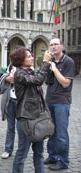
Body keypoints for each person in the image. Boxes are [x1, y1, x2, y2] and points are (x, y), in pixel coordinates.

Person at [10, 47, 52, 173]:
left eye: (31, 55)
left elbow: (40, 80)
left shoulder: (30, 71)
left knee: (39, 153)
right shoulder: (19, 73)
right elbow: (38, 80)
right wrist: (45, 63)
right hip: (26, 119)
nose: (32, 58)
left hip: (38, 117)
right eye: (28, 56)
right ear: (20, 60)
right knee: (22, 153)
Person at [44, 38, 75, 171]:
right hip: (49, 100)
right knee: (51, 132)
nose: (53, 47)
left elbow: (65, 83)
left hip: (62, 102)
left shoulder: (68, 62)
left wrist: (55, 69)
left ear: (62, 46)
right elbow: (45, 81)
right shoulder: (50, 61)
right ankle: (52, 156)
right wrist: (46, 64)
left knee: (61, 134)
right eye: (51, 45)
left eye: (56, 44)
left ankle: (63, 161)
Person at [0, 62, 17, 159]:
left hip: (22, 101)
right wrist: (6, 78)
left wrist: (16, 79)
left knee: (23, 128)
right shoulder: (11, 65)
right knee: (10, 127)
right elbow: (6, 76)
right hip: (10, 99)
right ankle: (8, 149)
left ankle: (22, 150)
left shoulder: (28, 66)